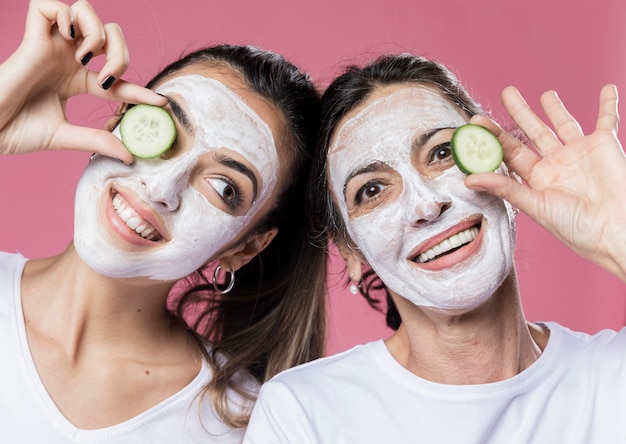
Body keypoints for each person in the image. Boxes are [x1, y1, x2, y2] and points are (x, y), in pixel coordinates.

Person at [244, 53, 626, 443]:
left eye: (441, 154)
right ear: (350, 250)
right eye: (372, 190)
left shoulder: (613, 379)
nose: (426, 205)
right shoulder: (304, 413)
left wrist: (617, 232)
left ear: (501, 162)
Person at [0, 0, 326, 442]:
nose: (161, 187)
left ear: (244, 248)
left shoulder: (242, 423)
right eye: (165, 128)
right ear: (119, 118)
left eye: (224, 187)